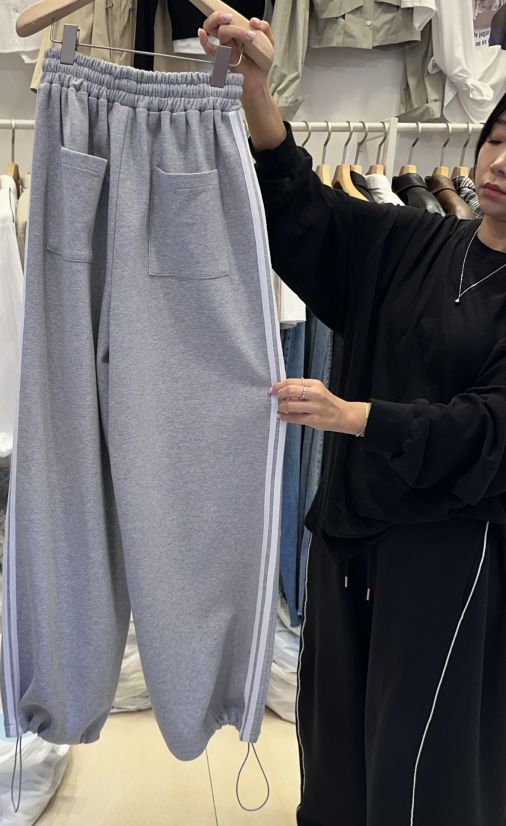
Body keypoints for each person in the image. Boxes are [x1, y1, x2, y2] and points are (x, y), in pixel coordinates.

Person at [200, 13, 506, 826]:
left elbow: (490, 428)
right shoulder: (417, 241)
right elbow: (307, 215)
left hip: (445, 554)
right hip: (351, 528)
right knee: (335, 740)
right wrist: (256, 89)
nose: (501, 162)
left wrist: (360, 417)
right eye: (497, 140)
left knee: (417, 758)